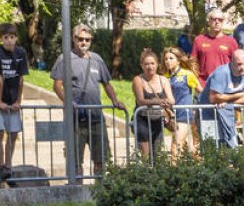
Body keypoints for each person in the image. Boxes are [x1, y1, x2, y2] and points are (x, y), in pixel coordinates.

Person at [51, 24, 127, 176]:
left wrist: (115, 101)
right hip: (75, 119)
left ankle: (99, 193)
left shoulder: (96, 59)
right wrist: (68, 102)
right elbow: (57, 86)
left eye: (88, 40)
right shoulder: (64, 59)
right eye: (80, 39)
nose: (84, 42)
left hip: (96, 117)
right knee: (75, 160)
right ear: (73, 39)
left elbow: (106, 84)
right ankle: (76, 192)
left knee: (101, 159)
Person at [0, 22, 28, 182]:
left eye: (12, 37)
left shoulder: (21, 52)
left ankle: (8, 165)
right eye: (6, 38)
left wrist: (18, 100)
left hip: (12, 98)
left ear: (16, 38)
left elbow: (21, 78)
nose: (9, 41)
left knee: (13, 132)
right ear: (1, 39)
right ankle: (0, 165)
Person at [199, 48, 244, 148]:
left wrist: (228, 101)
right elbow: (213, 98)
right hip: (208, 114)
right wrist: (238, 95)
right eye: (239, 64)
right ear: (231, 62)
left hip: (226, 113)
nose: (242, 67)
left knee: (229, 147)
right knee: (211, 148)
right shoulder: (222, 72)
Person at [131, 49, 174, 159]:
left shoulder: (163, 80)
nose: (149, 67)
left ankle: (156, 175)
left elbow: (172, 100)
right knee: (146, 155)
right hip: (141, 120)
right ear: (141, 65)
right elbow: (141, 101)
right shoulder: (138, 80)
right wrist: (159, 101)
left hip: (157, 119)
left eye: (152, 63)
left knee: (157, 154)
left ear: (157, 64)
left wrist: (166, 102)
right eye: (146, 64)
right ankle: (146, 174)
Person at [161, 46, 200, 157]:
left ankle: (173, 172)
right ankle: (196, 167)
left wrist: (198, 108)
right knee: (185, 148)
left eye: (171, 58)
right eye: (166, 59)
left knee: (175, 146)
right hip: (171, 116)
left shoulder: (187, 74)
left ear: (178, 60)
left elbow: (200, 91)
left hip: (184, 114)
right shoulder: (164, 77)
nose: (168, 61)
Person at [191, 8, 239, 82]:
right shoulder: (199, 40)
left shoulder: (231, 42)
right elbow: (193, 62)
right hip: (203, 84)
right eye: (214, 19)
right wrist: (197, 81)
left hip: (224, 84)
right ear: (209, 21)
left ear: (223, 22)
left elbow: (237, 63)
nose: (217, 22)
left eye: (220, 19)